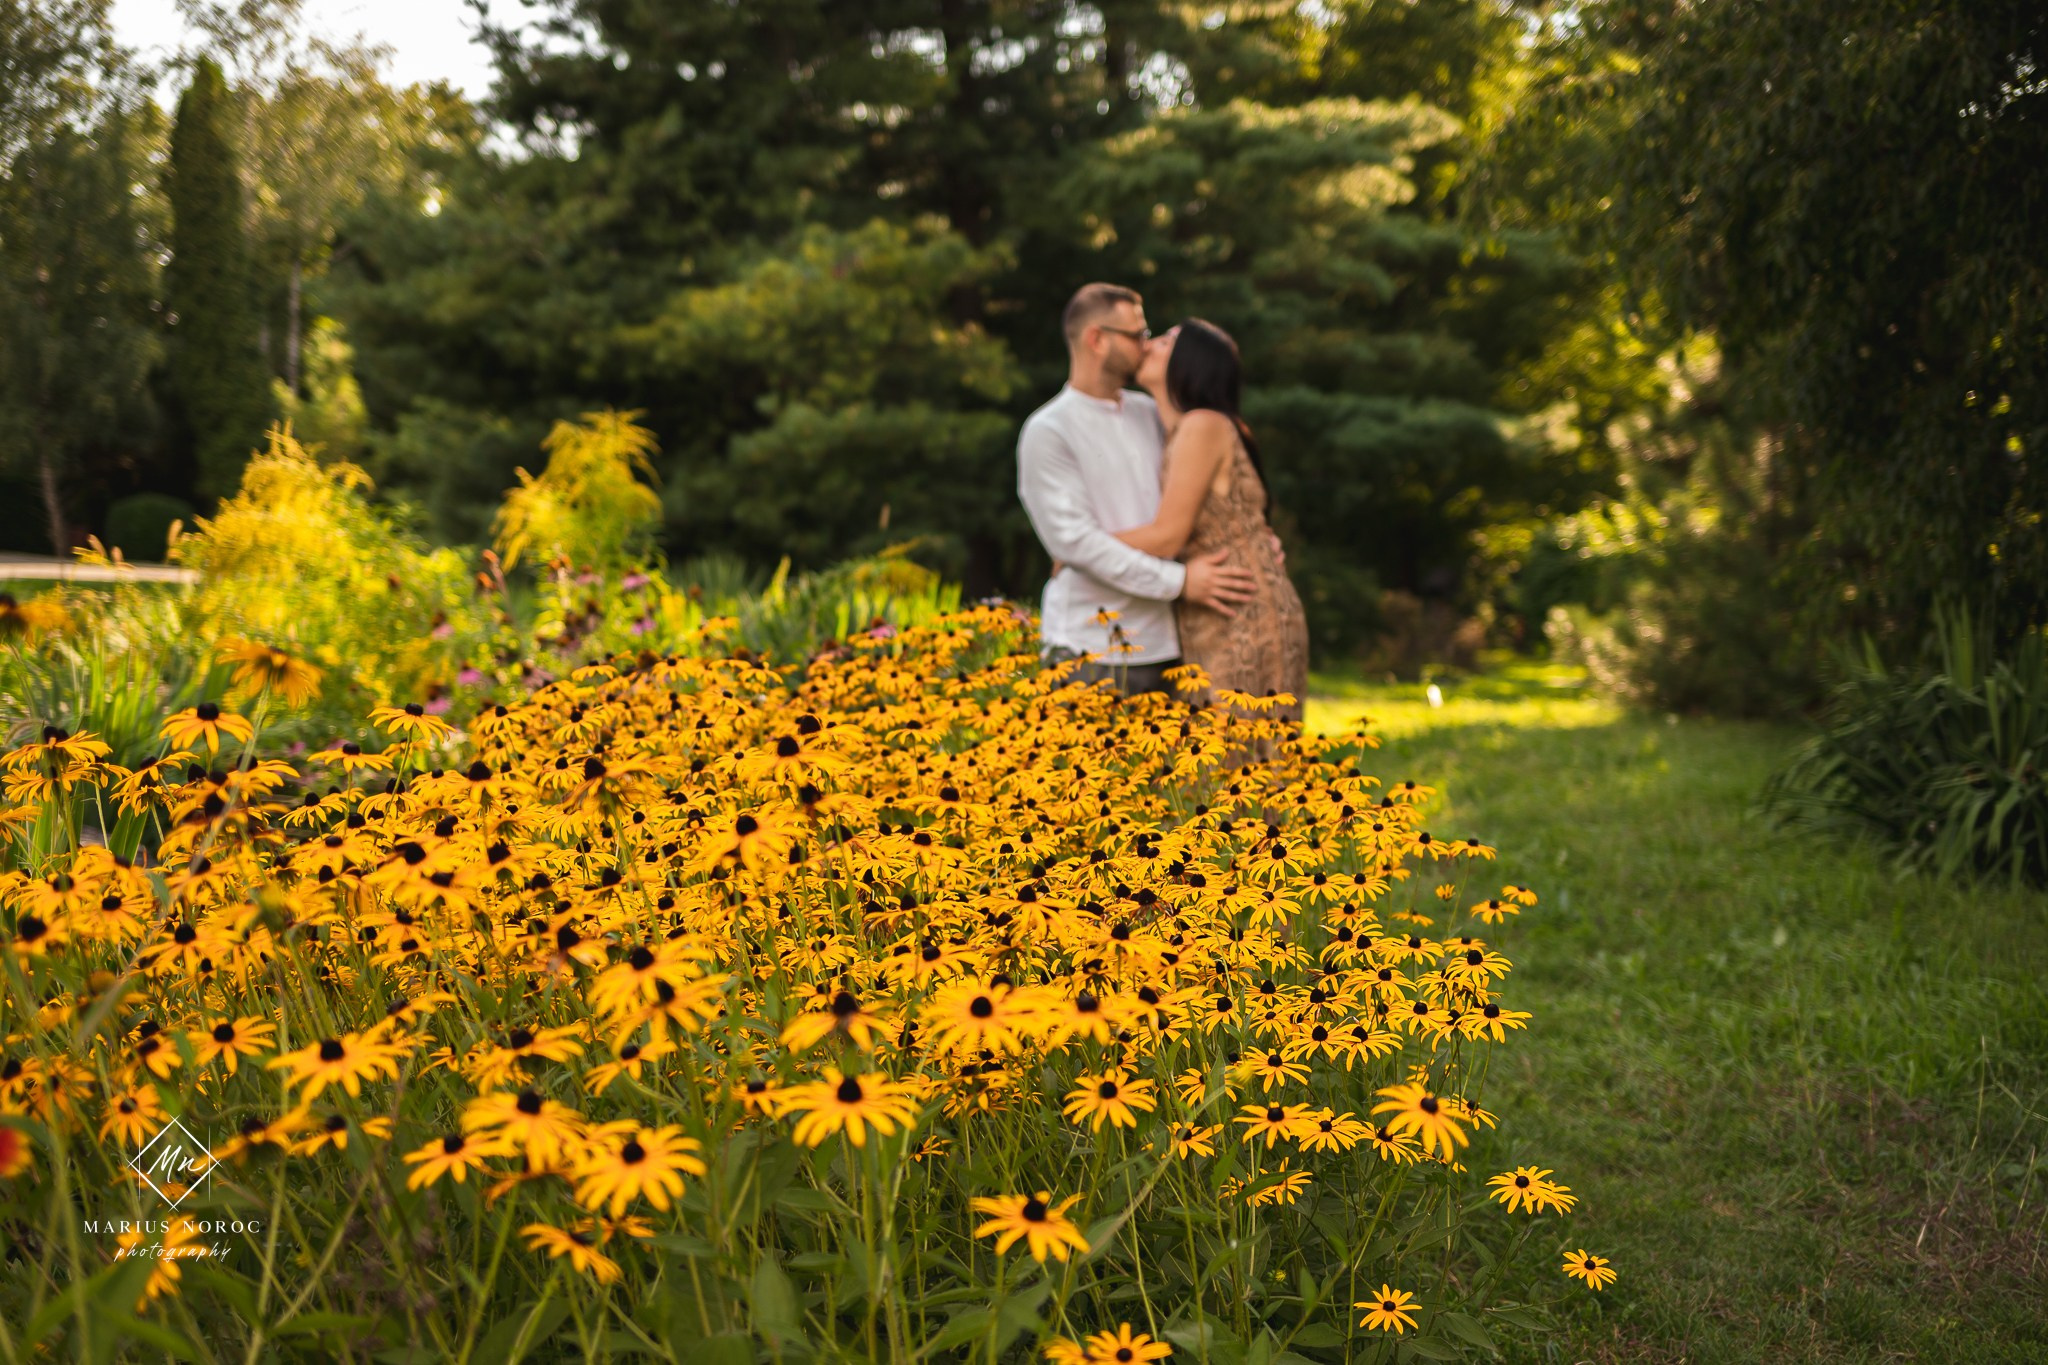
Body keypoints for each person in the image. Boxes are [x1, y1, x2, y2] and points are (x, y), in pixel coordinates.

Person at [1015, 283, 1257, 696]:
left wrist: (1253, 535)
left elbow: (1208, 492)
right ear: (1097, 339)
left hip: (1170, 644)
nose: (1147, 345)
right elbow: (1079, 545)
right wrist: (1180, 582)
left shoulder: (1150, 413)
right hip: (1088, 652)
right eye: (1136, 335)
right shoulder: (1049, 430)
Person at [1109, 318, 1310, 722]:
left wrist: (1074, 547)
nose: (1149, 344)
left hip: (1242, 610)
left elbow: (1167, 537)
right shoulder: (1178, 430)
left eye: (1166, 341)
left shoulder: (1203, 424)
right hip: (1212, 606)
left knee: (1241, 757)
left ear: (1191, 363)